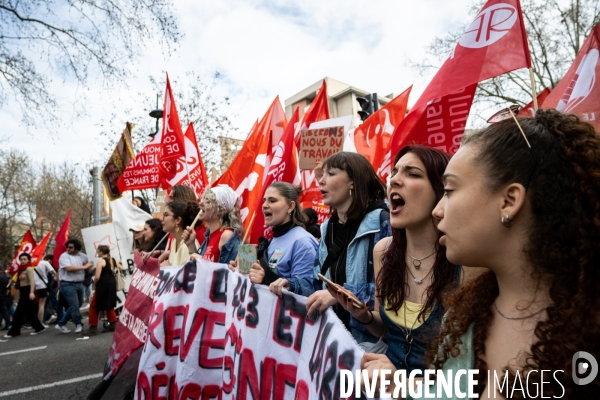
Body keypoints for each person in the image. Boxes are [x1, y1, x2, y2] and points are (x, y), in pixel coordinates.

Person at [363, 110, 600, 398]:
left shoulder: (587, 334)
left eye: (449, 190)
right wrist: (399, 386)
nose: (439, 211)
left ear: (509, 201)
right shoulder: (465, 317)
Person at [332, 145, 483, 374]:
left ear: (442, 191)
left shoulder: (465, 262)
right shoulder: (383, 251)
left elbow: (473, 365)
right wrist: (362, 315)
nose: (394, 180)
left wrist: (404, 383)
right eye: (394, 172)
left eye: (412, 174)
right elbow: (384, 331)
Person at [270, 152, 391, 344]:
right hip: (334, 341)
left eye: (331, 173)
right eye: (322, 174)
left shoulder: (383, 222)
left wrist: (339, 295)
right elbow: (319, 284)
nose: (321, 181)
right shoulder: (327, 228)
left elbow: (390, 292)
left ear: (353, 181)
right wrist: (291, 284)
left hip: (370, 345)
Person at [231, 182, 318, 285]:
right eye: (264, 201)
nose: (264, 205)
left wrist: (265, 281)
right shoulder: (275, 238)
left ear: (290, 206)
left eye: (272, 201)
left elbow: (306, 291)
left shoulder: (303, 242)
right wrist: (239, 272)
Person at [185, 185, 244, 264]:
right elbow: (198, 270)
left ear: (221, 211)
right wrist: (190, 245)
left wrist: (202, 260)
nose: (201, 203)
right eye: (203, 199)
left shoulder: (226, 234)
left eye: (208, 201)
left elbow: (227, 272)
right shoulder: (209, 235)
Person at [83, 245, 125, 336]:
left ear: (101, 252)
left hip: (103, 283)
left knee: (94, 305)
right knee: (109, 304)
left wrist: (94, 284)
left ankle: (93, 327)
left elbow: (97, 276)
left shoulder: (101, 261)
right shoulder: (113, 260)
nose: (97, 253)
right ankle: (113, 323)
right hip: (112, 282)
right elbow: (122, 268)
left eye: (98, 251)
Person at [55, 238, 92, 334]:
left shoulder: (83, 256)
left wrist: (89, 268)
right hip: (67, 284)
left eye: (70, 247)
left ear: (77, 248)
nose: (68, 249)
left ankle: (61, 323)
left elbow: (89, 268)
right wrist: (84, 267)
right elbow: (68, 268)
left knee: (77, 304)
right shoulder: (64, 256)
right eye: (67, 247)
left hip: (80, 283)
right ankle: (78, 324)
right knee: (74, 305)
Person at [4, 253, 45, 337]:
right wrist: (13, 281)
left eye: (25, 259)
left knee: (20, 312)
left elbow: (32, 281)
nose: (23, 261)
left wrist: (31, 292)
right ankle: (38, 327)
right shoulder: (21, 269)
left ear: (28, 260)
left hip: (28, 291)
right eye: (21, 259)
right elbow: (20, 282)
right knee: (28, 312)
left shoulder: (28, 268)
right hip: (23, 292)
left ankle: (14, 331)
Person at [158, 200, 200, 267]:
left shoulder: (188, 246)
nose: (161, 218)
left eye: (166, 215)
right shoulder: (174, 241)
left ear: (177, 220)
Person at [33, 254, 58, 328]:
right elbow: (53, 272)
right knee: (42, 305)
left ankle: (35, 322)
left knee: (35, 305)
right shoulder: (44, 263)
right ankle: (40, 323)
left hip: (33, 286)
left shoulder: (30, 264)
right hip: (42, 285)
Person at [42, 254, 64, 324]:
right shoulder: (47, 267)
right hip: (49, 288)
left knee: (54, 304)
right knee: (47, 304)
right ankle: (44, 318)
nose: (48, 261)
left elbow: (52, 279)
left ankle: (62, 316)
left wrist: (50, 287)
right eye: (47, 259)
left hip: (51, 288)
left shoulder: (52, 268)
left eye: (49, 259)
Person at [0, 265, 11, 331]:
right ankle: (8, 324)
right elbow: (8, 288)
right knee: (4, 310)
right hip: (3, 295)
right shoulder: (6, 277)